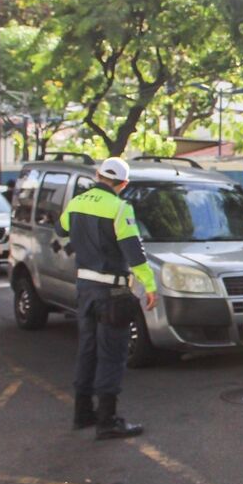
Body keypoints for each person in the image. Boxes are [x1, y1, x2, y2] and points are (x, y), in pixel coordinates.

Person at [57, 157, 157, 440]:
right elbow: (134, 254)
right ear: (123, 184)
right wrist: (149, 286)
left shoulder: (76, 202)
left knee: (87, 349)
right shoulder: (119, 207)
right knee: (112, 354)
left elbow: (60, 230)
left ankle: (82, 413)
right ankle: (107, 420)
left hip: (85, 289)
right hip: (112, 292)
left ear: (98, 175)